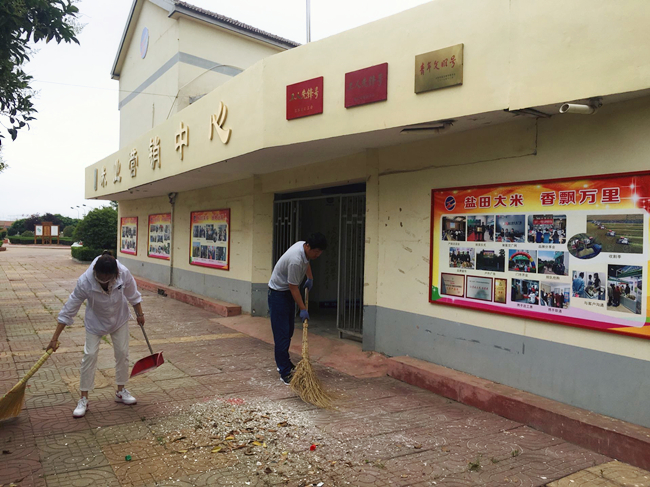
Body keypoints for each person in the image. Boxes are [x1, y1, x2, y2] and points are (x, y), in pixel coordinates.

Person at [48, 251, 145, 418]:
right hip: (95, 322)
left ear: (115, 273)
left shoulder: (123, 273)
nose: (105, 280)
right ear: (95, 272)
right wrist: (54, 337)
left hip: (119, 318)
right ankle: (83, 398)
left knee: (122, 353)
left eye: (109, 278)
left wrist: (140, 314)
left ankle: (121, 391)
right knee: (90, 355)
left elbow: (133, 295)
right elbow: (69, 308)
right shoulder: (84, 282)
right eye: (101, 278)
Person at [268, 233, 327, 384]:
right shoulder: (295, 260)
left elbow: (307, 263)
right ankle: (284, 371)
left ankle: (285, 361)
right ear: (308, 247)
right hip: (278, 294)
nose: (317, 255)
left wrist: (310, 277)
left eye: (320, 252)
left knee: (288, 331)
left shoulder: (303, 247)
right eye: (316, 251)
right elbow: (293, 287)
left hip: (287, 293)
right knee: (281, 334)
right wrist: (303, 308)